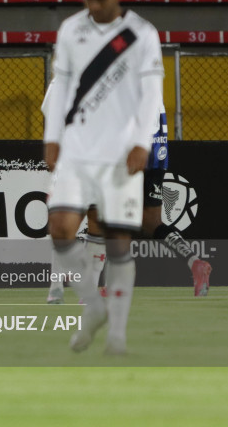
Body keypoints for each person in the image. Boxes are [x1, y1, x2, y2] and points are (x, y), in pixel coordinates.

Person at [44, 0, 164, 355]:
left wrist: (142, 143)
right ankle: (93, 307)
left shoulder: (142, 35)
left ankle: (117, 335)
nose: (93, 5)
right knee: (61, 228)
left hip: (118, 152)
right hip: (78, 147)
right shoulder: (70, 30)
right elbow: (60, 83)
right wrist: (52, 138)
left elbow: (151, 94)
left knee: (117, 242)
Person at [46, 103, 212, 303]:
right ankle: (194, 262)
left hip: (132, 151)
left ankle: (104, 287)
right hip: (158, 153)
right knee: (151, 221)